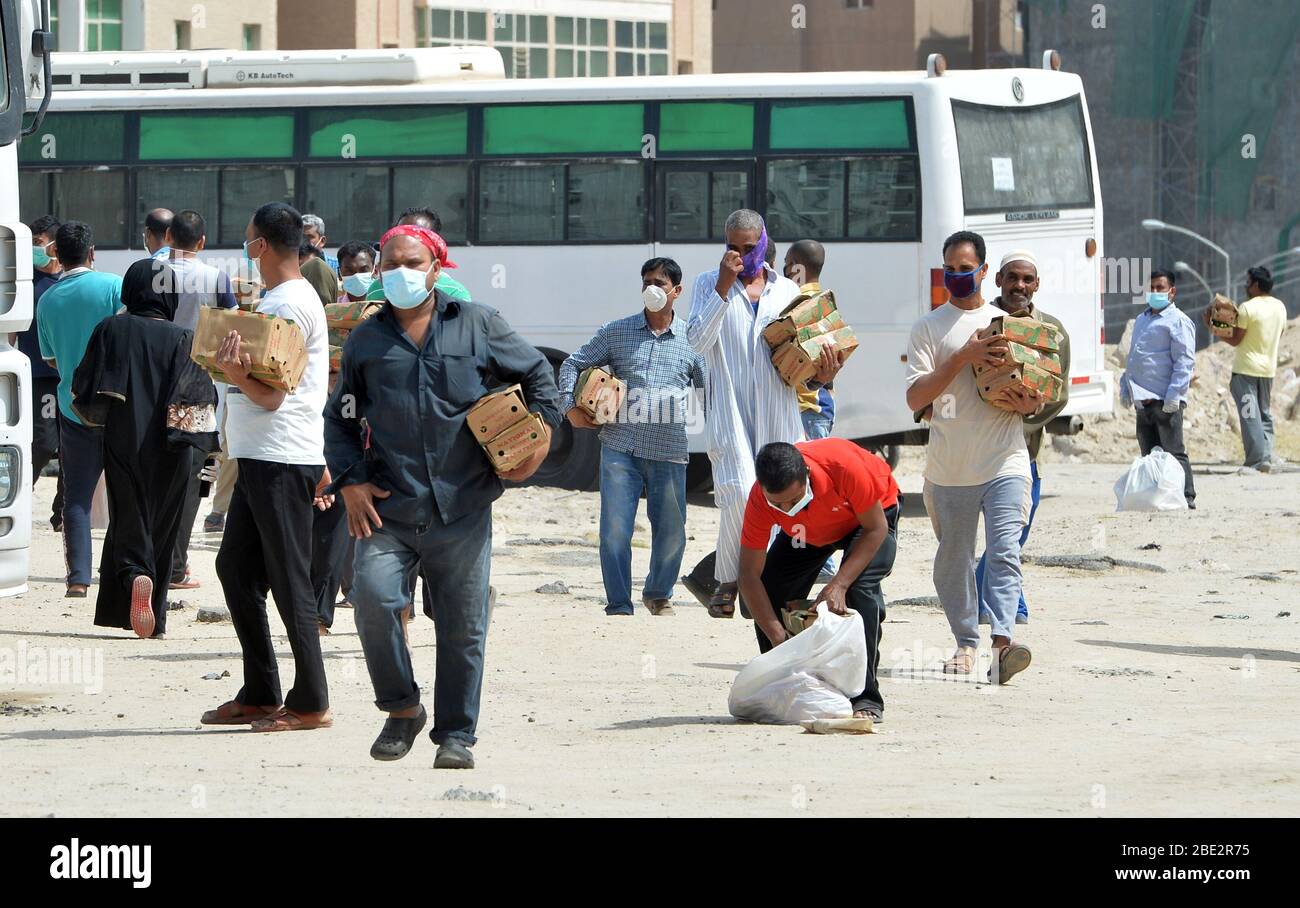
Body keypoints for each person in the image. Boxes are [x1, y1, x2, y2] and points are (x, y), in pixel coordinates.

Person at [325, 224, 560, 768]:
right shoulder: (365, 339)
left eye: (412, 263)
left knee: (462, 626)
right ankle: (403, 708)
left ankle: (456, 736)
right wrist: (352, 481)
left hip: (464, 505)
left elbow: (539, 375)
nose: (399, 273)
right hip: (389, 505)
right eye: (390, 265)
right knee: (374, 601)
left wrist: (537, 437)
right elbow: (339, 420)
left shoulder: (479, 325)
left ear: (436, 268)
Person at [201, 203, 332, 733]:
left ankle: (310, 701)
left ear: (260, 246)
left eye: (248, 240)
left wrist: (232, 371)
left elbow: (274, 397)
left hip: (279, 454)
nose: (247, 248)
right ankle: (260, 691)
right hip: (266, 456)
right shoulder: (287, 298)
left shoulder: (289, 304)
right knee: (235, 570)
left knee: (288, 580)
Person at [686, 209, 844, 618]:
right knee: (739, 489)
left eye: (748, 247)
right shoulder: (708, 283)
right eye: (732, 248)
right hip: (729, 410)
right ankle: (727, 577)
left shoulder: (787, 290)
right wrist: (723, 288)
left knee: (787, 497)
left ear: (764, 242)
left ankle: (781, 585)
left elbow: (804, 365)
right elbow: (696, 344)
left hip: (780, 412)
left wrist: (822, 376)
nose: (740, 256)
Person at [905, 230, 1036, 684]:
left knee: (1004, 551)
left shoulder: (1009, 323)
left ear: (984, 270)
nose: (959, 277)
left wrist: (1029, 404)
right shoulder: (928, 327)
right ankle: (965, 642)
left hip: (1006, 460)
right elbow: (915, 397)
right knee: (955, 559)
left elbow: (1034, 391)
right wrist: (963, 356)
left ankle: (1003, 643)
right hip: (950, 468)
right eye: (951, 270)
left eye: (966, 269)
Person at [72, 259, 219, 639]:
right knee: (163, 528)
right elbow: (199, 402)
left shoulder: (111, 329)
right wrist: (202, 454)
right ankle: (154, 620)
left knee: (127, 518)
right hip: (174, 449)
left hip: (123, 440)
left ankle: (135, 574)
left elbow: (84, 386)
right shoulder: (183, 338)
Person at [557, 257, 706, 617]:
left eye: (659, 282)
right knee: (614, 532)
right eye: (646, 282)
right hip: (619, 446)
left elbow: (708, 390)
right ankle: (619, 604)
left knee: (671, 532)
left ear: (677, 291)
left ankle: (658, 593)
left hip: (669, 450)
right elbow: (571, 364)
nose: (651, 288)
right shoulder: (616, 331)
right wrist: (569, 407)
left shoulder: (695, 339)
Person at [736, 439, 900, 722]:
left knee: (859, 590)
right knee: (770, 589)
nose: (787, 508)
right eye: (778, 504)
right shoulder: (760, 500)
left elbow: (876, 529)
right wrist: (778, 636)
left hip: (869, 519)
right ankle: (785, 687)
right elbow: (749, 576)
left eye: (794, 499)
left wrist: (839, 584)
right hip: (807, 532)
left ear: (807, 477)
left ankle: (866, 697)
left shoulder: (843, 468)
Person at [975, 251, 1070, 626]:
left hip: (1024, 453)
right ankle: (1006, 608)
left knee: (1014, 534)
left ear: (1037, 284)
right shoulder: (981, 322)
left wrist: (1023, 416)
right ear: (998, 280)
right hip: (975, 451)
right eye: (1012, 278)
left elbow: (1058, 395)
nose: (1020, 286)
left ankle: (990, 596)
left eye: (1027, 280)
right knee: (993, 542)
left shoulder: (1053, 331)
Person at [36, 221, 122, 598]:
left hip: (73, 412)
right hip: (119, 410)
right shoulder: (113, 287)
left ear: (57, 254)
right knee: (127, 497)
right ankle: (123, 572)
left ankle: (78, 580)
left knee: (76, 500)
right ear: (92, 252)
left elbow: (51, 360)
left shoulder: (47, 300)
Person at [164, 209, 239, 591]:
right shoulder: (215, 277)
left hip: (153, 385)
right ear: (203, 242)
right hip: (196, 389)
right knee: (194, 475)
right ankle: (177, 566)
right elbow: (232, 324)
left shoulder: (148, 272)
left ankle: (146, 561)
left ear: (167, 238)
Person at [1120, 269, 1197, 507]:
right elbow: (1135, 356)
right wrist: (1126, 386)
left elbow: (1184, 361)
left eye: (1159, 288)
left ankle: (1186, 497)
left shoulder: (1179, 321)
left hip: (1165, 400)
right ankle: (1157, 496)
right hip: (1142, 400)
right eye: (1151, 288)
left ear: (1171, 292)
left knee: (1173, 452)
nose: (1154, 292)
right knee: (1150, 454)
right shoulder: (1142, 319)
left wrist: (1175, 395)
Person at [1207, 266, 1287, 472]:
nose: (1245, 287)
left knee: (1250, 415)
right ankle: (1267, 456)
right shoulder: (1280, 307)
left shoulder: (1248, 308)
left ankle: (1255, 461)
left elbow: (1235, 340)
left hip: (1246, 370)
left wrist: (1213, 327)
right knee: (1264, 414)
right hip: (1268, 369)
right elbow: (1278, 336)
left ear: (1256, 285)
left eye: (1247, 283)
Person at [12, 215, 64, 531]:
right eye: (31, 242)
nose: (34, 248)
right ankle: (19, 495)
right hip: (38, 374)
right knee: (43, 443)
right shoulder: (24, 281)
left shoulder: (72, 280)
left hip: (69, 375)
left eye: (38, 241)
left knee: (73, 448)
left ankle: (63, 513)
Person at [783, 240, 837, 441]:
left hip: (806, 408)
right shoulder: (825, 301)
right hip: (822, 405)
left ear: (797, 267)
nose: (785, 270)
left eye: (788, 264)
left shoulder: (797, 303)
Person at [381, 207, 472, 302]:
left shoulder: (454, 293)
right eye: (401, 232)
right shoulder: (377, 289)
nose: (408, 239)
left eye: (419, 235)